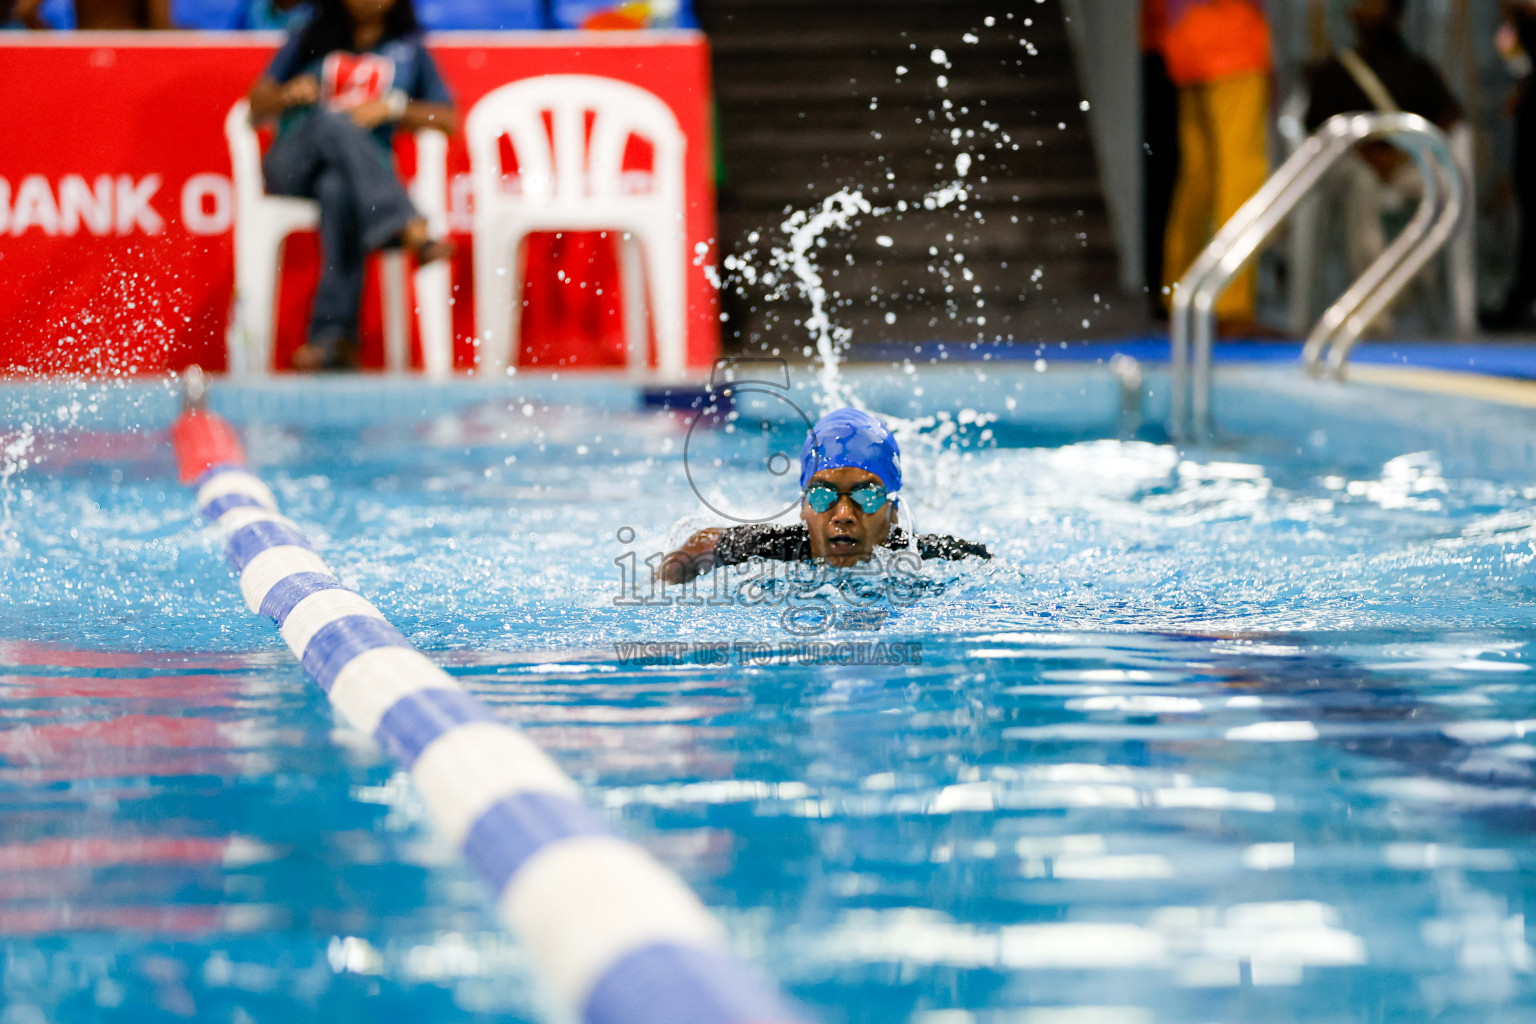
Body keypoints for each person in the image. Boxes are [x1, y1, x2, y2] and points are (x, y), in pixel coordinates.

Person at [247, 0, 456, 372]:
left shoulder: (409, 49)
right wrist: (288, 94)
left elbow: (447, 119)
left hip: (353, 179)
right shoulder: (310, 36)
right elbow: (256, 102)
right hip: (294, 164)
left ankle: (332, 340)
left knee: (339, 190)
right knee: (332, 118)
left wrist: (391, 109)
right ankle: (406, 222)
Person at [661, 408, 990, 585]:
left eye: (867, 495)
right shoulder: (769, 550)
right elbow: (699, 544)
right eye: (822, 494)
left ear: (893, 510)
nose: (844, 513)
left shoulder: (937, 558)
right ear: (803, 506)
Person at [1305, 0, 1462, 314]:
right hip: (1355, 164)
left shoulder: (1417, 68)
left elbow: (1449, 115)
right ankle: (1374, 305)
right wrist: (1369, 155)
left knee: (1439, 185)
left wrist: (1406, 153)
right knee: (1361, 186)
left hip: (1406, 161)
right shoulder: (1335, 70)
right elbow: (1319, 126)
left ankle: (1411, 279)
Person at [1158, 0, 1272, 330]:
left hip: (1188, 40)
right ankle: (1230, 305)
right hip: (1232, 40)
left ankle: (1178, 294)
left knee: (1197, 180)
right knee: (1240, 176)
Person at [1489, 1, 1536, 331]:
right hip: (1531, 118)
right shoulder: (1515, 25)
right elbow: (1510, 48)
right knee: (1530, 208)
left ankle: (1520, 297)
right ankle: (1521, 296)